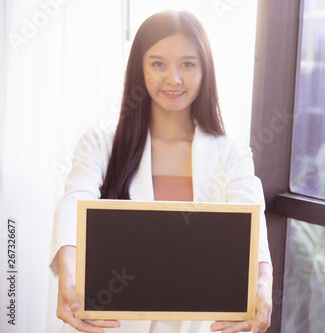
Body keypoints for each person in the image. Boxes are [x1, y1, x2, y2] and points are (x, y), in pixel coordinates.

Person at [49, 10, 272, 333]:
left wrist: (263, 287)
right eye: (158, 64)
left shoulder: (231, 154)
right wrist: (68, 275)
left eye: (187, 64)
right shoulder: (99, 145)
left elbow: (253, 228)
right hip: (113, 325)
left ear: (205, 69)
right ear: (139, 68)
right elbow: (74, 204)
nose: (173, 79)